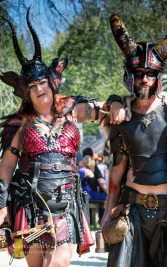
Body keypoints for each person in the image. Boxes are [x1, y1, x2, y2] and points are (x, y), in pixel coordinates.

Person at [0, 10, 122, 266]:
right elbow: (7, 167)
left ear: (51, 83)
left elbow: (105, 109)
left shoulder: (72, 110)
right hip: (31, 204)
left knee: (58, 262)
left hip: (66, 205)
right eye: (32, 87)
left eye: (42, 82)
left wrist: (116, 102)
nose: (38, 89)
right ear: (26, 92)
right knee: (40, 264)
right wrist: (1, 205)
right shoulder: (21, 124)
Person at [101, 13, 167, 267]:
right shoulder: (121, 118)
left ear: (159, 78)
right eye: (139, 73)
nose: (144, 79)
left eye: (150, 74)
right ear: (130, 75)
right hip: (134, 212)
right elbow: (117, 172)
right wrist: (108, 211)